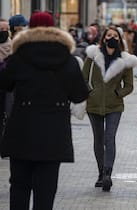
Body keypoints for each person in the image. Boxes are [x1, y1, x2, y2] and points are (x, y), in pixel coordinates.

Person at [0, 11, 89, 210]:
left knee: (19, 186)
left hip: (22, 131)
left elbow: (5, 83)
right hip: (53, 134)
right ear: (54, 28)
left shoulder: (19, 57)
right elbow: (79, 95)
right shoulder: (68, 60)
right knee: (46, 190)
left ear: (30, 28)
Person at [82, 26, 137, 192]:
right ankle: (100, 173)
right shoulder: (93, 56)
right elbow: (83, 78)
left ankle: (108, 173)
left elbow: (129, 86)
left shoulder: (125, 60)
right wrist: (90, 92)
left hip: (114, 105)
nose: (112, 38)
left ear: (119, 39)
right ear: (103, 38)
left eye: (115, 35)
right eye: (109, 35)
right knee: (98, 139)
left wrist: (117, 93)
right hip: (94, 105)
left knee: (110, 137)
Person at [0, 18, 11, 140]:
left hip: (7, 91)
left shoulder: (13, 47)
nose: (4, 32)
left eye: (6, 29)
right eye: (1, 29)